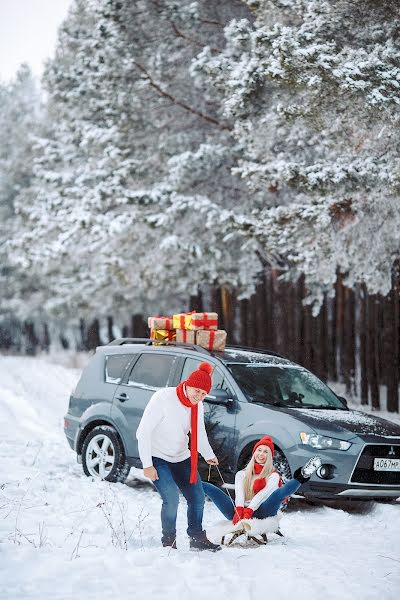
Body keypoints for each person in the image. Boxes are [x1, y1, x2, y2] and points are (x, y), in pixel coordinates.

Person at [136, 361, 221, 551]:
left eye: (203, 394)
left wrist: (208, 454)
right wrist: (147, 465)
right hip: (158, 457)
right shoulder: (163, 398)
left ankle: (197, 537)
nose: (198, 396)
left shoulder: (197, 404)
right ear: (188, 384)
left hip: (181, 457)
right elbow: (143, 432)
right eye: (197, 391)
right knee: (172, 498)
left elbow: (198, 432)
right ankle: (169, 540)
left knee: (197, 497)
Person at [202, 436, 322, 523]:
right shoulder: (241, 474)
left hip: (264, 511)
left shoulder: (273, 475)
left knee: (277, 494)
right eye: (259, 450)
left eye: (266, 452)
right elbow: (239, 494)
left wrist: (250, 510)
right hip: (242, 510)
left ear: (269, 456)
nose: (261, 454)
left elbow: (263, 494)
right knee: (215, 492)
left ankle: (302, 475)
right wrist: (239, 510)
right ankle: (190, 482)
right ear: (254, 453)